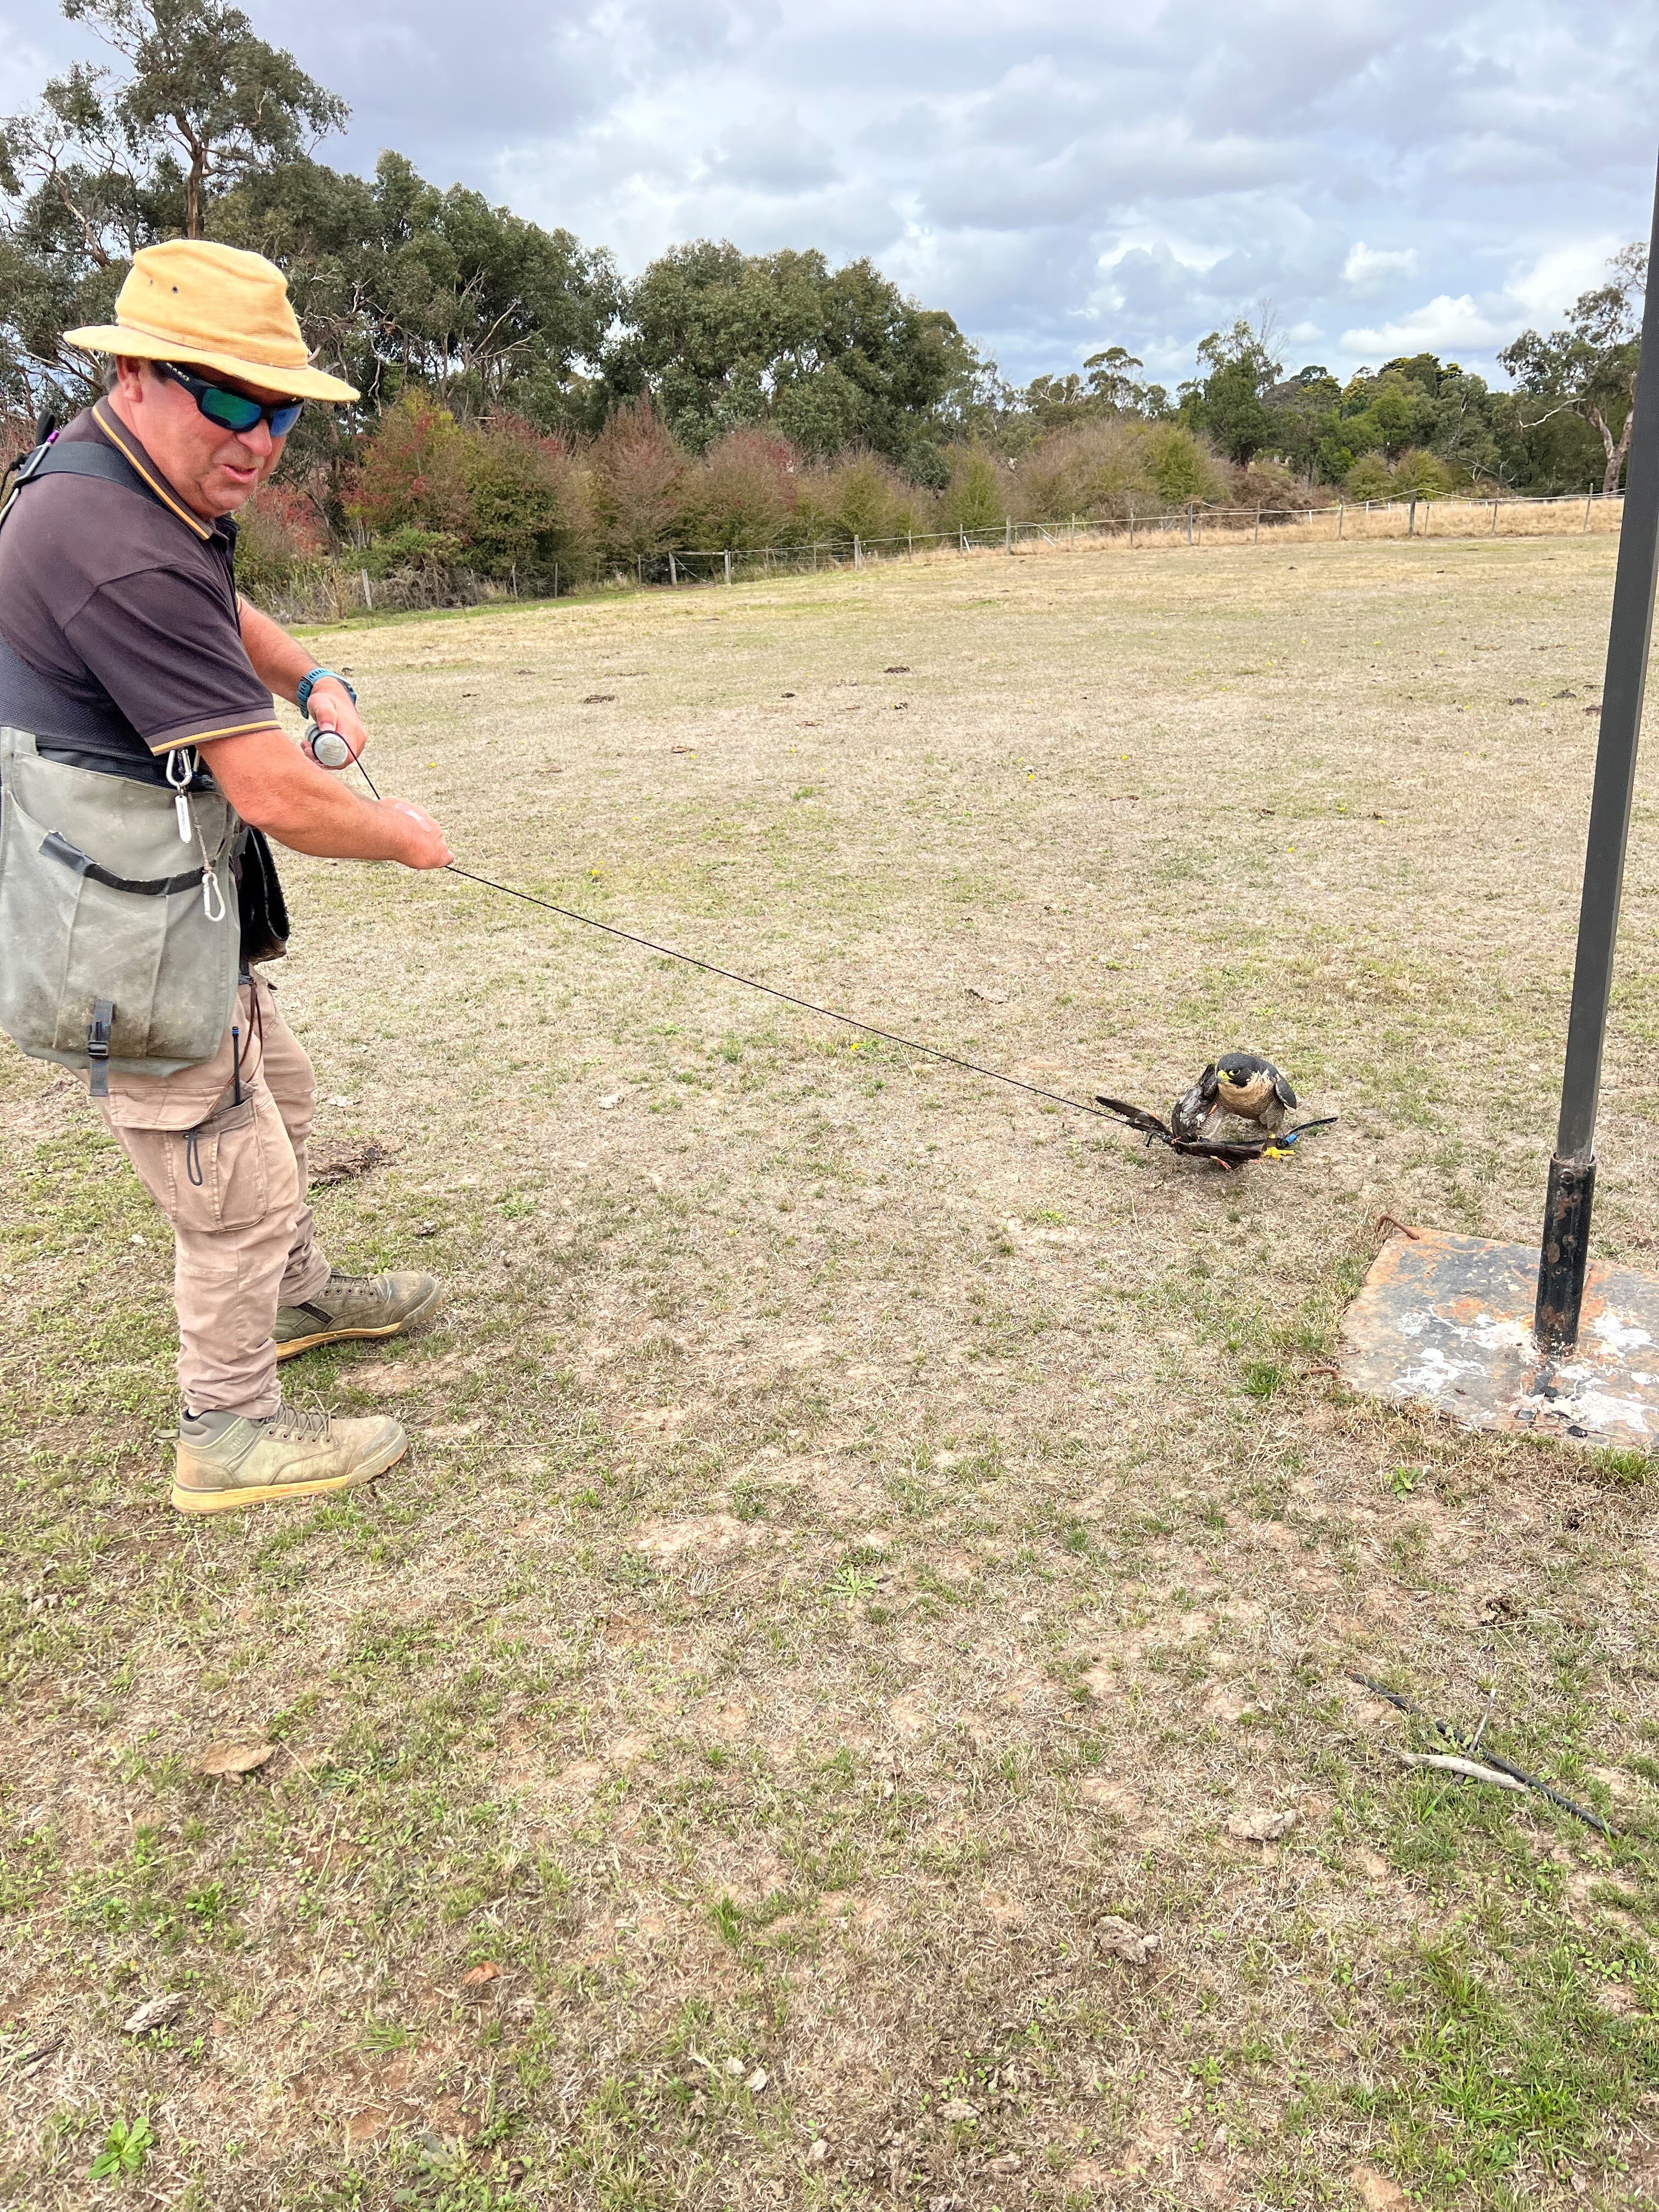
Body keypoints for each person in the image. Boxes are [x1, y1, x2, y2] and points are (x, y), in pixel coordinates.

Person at [0, 238, 452, 1514]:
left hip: (171, 901)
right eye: (231, 399)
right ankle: (227, 1429)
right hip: (120, 929)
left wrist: (309, 676)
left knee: (281, 1097)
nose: (260, 437)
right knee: (227, 1181)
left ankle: (298, 1302)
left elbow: (219, 603)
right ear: (137, 372)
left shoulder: (138, 483)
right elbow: (274, 794)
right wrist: (408, 836)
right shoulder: (110, 535)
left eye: (282, 409)